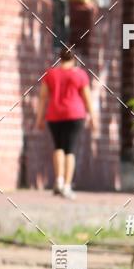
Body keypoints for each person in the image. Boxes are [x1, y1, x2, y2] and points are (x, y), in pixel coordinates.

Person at [35, 47, 94, 199]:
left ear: (60, 58)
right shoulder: (80, 75)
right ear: (74, 58)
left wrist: (39, 118)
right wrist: (93, 117)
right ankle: (67, 186)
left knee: (58, 147)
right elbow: (87, 98)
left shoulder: (51, 74)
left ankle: (59, 180)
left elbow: (42, 97)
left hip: (54, 115)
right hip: (75, 115)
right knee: (70, 149)